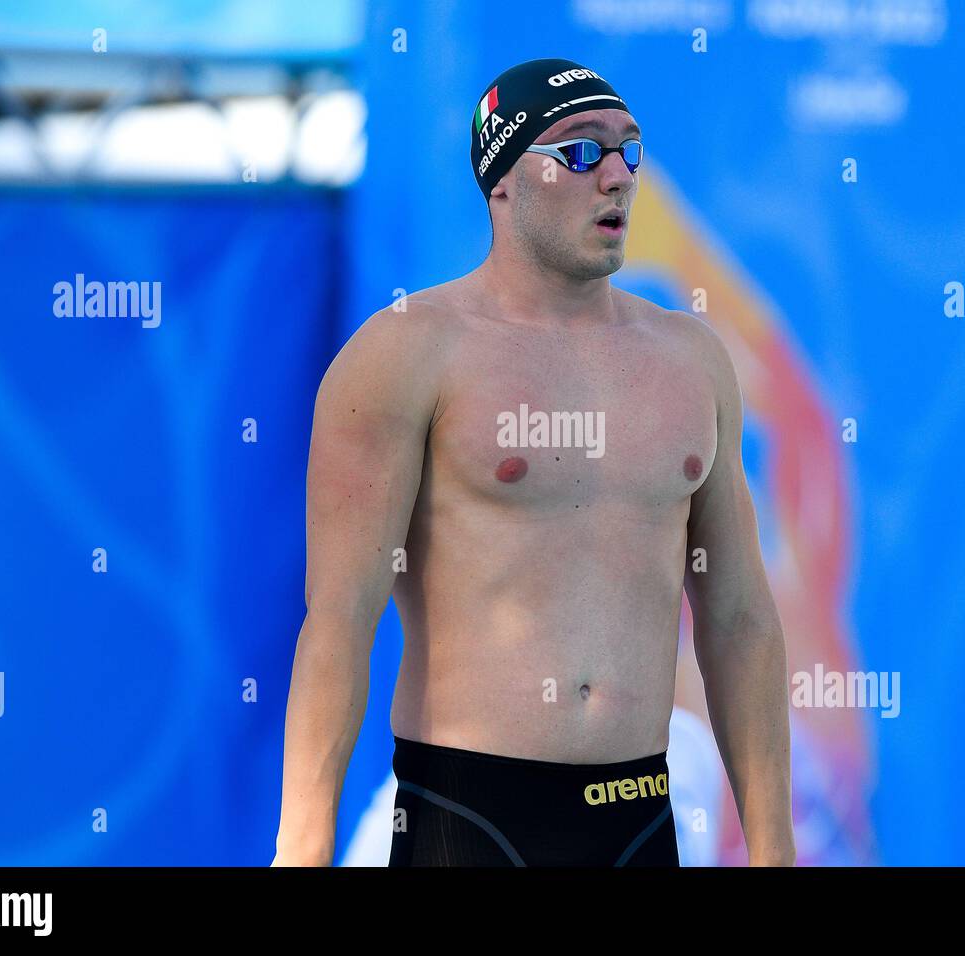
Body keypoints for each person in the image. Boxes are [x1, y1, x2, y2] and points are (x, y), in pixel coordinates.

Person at [272, 57, 794, 867]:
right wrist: (302, 848)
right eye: (582, 152)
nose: (617, 176)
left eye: (629, 151)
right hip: (466, 817)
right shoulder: (405, 353)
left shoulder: (692, 359)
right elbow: (339, 619)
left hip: (637, 820)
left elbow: (739, 618)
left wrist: (774, 849)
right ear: (504, 181)